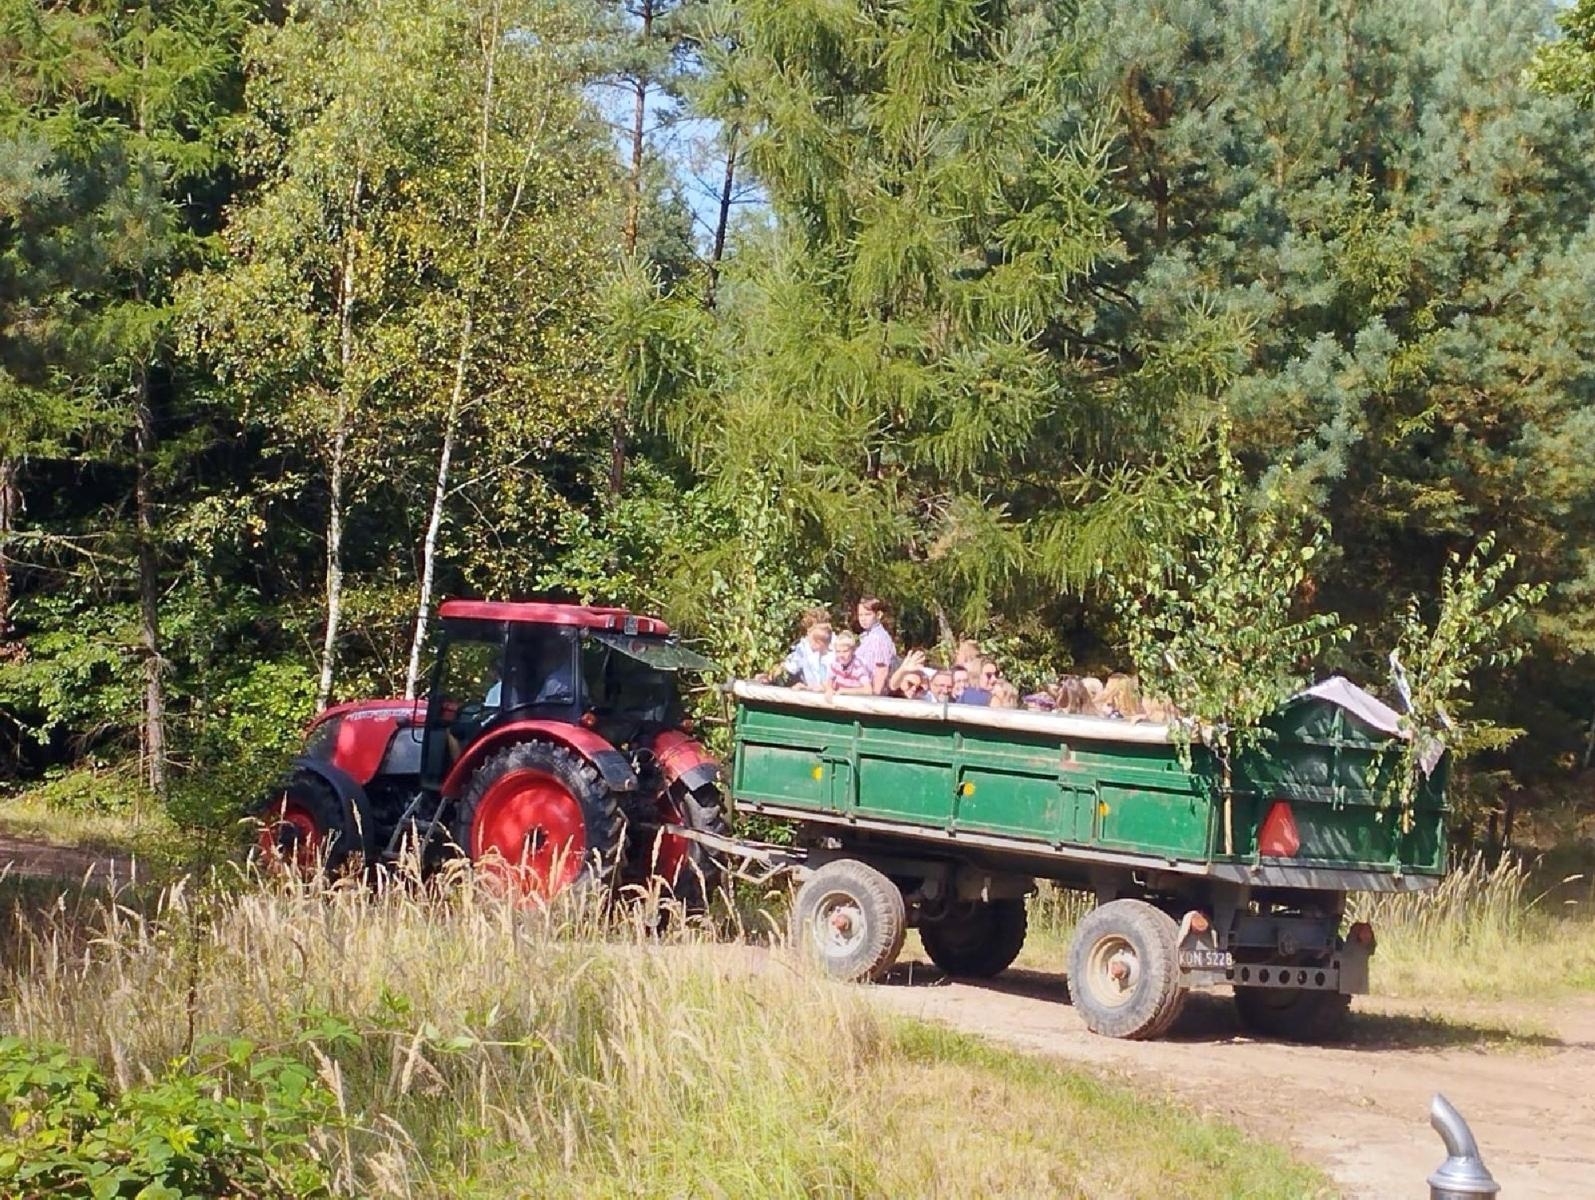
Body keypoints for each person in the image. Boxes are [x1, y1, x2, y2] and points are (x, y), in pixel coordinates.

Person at [853, 597, 896, 695]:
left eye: (868, 614)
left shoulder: (879, 638)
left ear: (878, 615)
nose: (863, 618)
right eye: (860, 615)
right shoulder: (866, 637)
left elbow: (881, 669)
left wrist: (875, 696)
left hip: (871, 693)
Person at [781, 620, 832, 690]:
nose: (808, 643)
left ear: (819, 643)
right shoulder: (817, 656)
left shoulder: (830, 660)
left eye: (810, 641)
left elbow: (827, 686)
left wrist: (807, 687)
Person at [824, 631, 874, 696]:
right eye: (838, 651)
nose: (841, 655)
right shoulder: (836, 662)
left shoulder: (858, 666)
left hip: (858, 700)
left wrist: (845, 691)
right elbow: (829, 681)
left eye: (845, 651)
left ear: (853, 650)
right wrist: (829, 689)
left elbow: (868, 690)